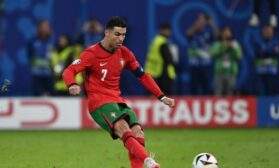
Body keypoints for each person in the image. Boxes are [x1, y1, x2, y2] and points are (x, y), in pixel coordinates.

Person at [62, 16, 174, 168]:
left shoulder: (125, 53)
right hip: (99, 102)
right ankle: (148, 160)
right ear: (107, 33)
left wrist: (161, 96)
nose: (121, 38)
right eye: (117, 34)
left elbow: (143, 76)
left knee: (138, 133)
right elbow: (69, 71)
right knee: (123, 128)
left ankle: (141, 164)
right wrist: (72, 84)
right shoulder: (91, 53)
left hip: (117, 100)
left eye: (123, 35)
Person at [185, 13, 217, 95]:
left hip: (206, 65)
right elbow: (188, 33)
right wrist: (196, 26)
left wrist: (211, 23)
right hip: (194, 64)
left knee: (206, 87)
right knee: (194, 88)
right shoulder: (193, 31)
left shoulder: (208, 32)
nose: (201, 21)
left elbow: (217, 36)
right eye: (199, 19)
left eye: (203, 20)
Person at [145, 23, 176, 95]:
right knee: (165, 96)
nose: (169, 32)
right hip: (162, 73)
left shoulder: (156, 40)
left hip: (153, 72)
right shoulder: (162, 42)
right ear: (163, 31)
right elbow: (168, 59)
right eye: (168, 30)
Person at [210, 26, 242, 96]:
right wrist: (223, 47)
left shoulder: (235, 44)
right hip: (219, 73)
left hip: (231, 73)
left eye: (228, 32)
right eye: (225, 32)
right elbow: (213, 54)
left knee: (230, 94)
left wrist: (232, 48)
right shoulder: (217, 44)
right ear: (221, 34)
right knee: (217, 93)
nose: (226, 34)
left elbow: (239, 56)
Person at [27, 20, 54, 96]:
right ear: (39, 28)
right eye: (44, 27)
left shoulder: (52, 41)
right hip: (37, 74)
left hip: (49, 74)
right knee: (38, 96)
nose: (47, 28)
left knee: (52, 96)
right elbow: (30, 57)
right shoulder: (32, 41)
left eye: (48, 27)